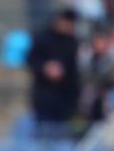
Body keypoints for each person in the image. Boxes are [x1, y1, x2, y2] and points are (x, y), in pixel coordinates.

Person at [26, 9, 80, 139]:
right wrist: (46, 68)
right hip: (44, 97)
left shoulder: (72, 42)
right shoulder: (42, 38)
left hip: (65, 98)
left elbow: (75, 70)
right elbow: (32, 61)